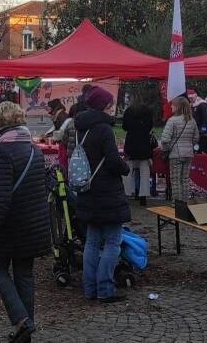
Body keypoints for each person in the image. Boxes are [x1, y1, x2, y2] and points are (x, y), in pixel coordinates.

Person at [0, 102, 50, 343]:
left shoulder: (2, 152)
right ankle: (24, 331)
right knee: (24, 275)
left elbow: (1, 198)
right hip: (33, 223)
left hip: (10, 225)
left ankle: (21, 320)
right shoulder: (33, 149)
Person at [74, 86, 130, 303]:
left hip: (87, 190)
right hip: (107, 191)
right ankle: (105, 288)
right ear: (104, 105)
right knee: (113, 241)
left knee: (91, 241)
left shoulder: (81, 127)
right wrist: (124, 168)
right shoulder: (104, 129)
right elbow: (113, 160)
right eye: (110, 104)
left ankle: (89, 289)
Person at [159, 96, 198, 201]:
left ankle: (177, 205)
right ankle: (185, 202)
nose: (171, 106)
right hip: (188, 154)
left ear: (177, 107)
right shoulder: (192, 121)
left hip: (175, 154)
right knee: (185, 180)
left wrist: (167, 149)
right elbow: (196, 138)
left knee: (175, 181)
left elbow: (165, 139)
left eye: (173, 104)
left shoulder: (172, 120)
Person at [121, 95, 153, 205]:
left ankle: (127, 193)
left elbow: (124, 127)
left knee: (128, 169)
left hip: (131, 142)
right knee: (144, 170)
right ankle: (143, 195)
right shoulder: (148, 111)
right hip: (144, 142)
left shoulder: (129, 111)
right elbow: (150, 126)